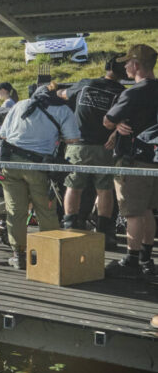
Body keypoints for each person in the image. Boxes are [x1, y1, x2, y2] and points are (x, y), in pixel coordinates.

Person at [0, 84, 81, 269]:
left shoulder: (20, 105)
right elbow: (73, 139)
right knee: (45, 210)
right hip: (39, 166)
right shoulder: (62, 110)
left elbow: (3, 135)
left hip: (10, 164)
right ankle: (49, 253)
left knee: (15, 210)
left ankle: (19, 255)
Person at [102, 44, 158, 278]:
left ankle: (131, 260)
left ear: (136, 65)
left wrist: (115, 125)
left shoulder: (133, 92)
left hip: (133, 161)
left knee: (133, 212)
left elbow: (107, 120)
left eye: (127, 62)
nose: (124, 66)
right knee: (148, 211)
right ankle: (146, 257)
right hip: (154, 161)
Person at [57, 57, 126, 245]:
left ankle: (70, 226)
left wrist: (57, 89)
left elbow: (63, 94)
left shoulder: (86, 84)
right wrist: (114, 134)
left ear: (106, 68)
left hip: (78, 146)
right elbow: (129, 118)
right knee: (104, 190)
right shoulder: (122, 93)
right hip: (105, 148)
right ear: (123, 73)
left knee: (73, 186)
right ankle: (104, 232)